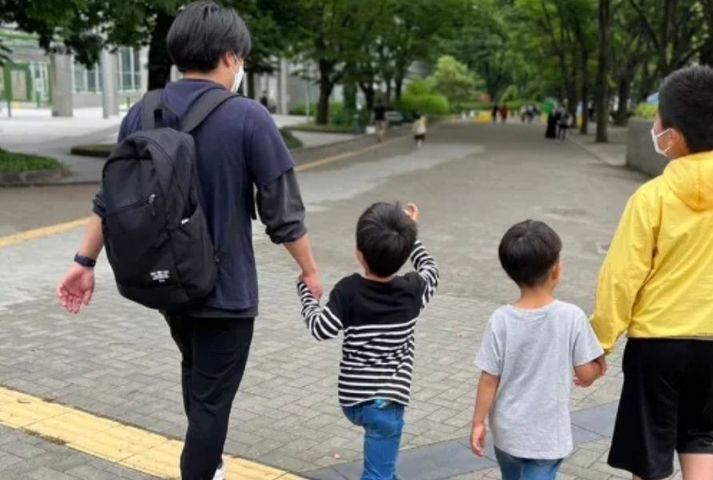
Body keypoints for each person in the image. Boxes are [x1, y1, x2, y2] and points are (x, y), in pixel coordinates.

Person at [56, 3, 323, 480]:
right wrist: (309, 270)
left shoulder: (143, 112)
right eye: (242, 58)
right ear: (230, 57)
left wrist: (84, 260)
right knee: (212, 404)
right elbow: (284, 214)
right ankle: (202, 468)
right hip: (226, 290)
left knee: (197, 374)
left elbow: (110, 199)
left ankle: (210, 463)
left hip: (168, 282)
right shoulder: (248, 117)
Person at [592, 65, 713, 480]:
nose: (654, 127)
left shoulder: (652, 197)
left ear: (674, 135)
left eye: (657, 120)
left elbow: (622, 277)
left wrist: (600, 342)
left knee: (650, 451)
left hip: (658, 343)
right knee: (700, 437)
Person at [296, 202, 439, 480]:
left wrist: (306, 293)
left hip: (353, 401)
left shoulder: (348, 291)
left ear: (359, 254)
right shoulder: (414, 290)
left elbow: (320, 328)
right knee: (378, 474)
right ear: (404, 252)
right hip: (386, 405)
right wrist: (411, 234)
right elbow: (430, 267)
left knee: (384, 471)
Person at [471, 220, 604, 480]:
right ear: (556, 270)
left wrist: (478, 422)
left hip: (507, 434)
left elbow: (489, 378)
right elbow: (585, 374)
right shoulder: (571, 316)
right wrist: (597, 368)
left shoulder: (501, 319)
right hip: (547, 438)